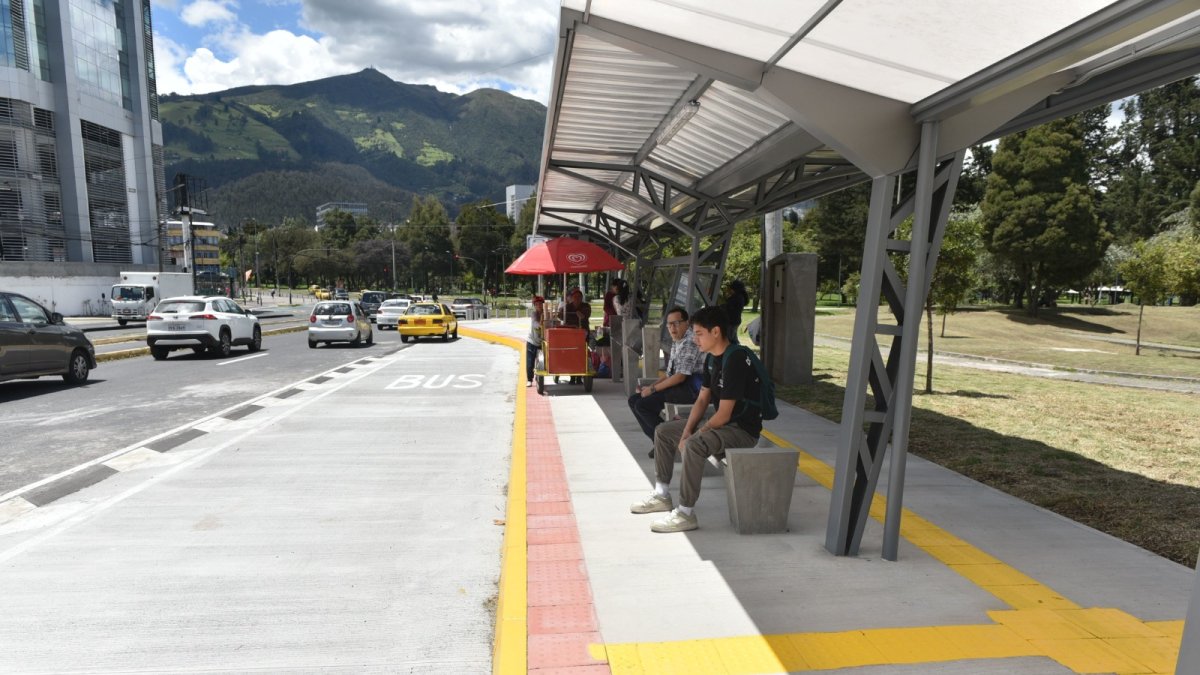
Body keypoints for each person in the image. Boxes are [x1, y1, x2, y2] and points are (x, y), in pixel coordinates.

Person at [630, 305, 762, 533]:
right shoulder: (713, 360)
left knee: (693, 445)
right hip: (724, 425)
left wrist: (693, 436)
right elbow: (702, 401)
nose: (695, 339)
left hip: (741, 430)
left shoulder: (735, 361)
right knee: (663, 431)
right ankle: (662, 494)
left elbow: (723, 414)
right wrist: (686, 430)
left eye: (699, 334)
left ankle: (685, 512)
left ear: (716, 332)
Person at [628, 306, 704, 457]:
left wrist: (653, 390)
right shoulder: (677, 340)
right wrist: (650, 386)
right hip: (679, 385)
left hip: (692, 389)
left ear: (686, 323)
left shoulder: (689, 342)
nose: (672, 328)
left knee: (643, 405)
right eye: (669, 325)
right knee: (633, 400)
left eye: (676, 323)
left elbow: (681, 376)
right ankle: (659, 442)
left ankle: (666, 441)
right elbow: (670, 374)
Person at [525, 296, 545, 387]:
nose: (539, 306)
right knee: (530, 363)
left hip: (542, 342)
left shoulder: (546, 314)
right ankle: (529, 379)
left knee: (543, 361)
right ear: (534, 306)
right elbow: (535, 323)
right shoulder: (534, 314)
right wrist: (541, 324)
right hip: (532, 341)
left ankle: (539, 376)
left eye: (540, 304)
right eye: (536, 304)